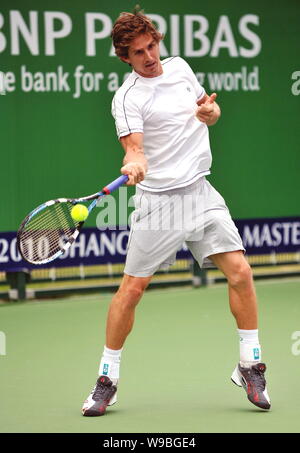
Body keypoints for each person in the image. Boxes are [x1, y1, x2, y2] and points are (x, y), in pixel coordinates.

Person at [82, 10, 271, 416]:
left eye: (152, 46)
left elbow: (208, 111)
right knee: (131, 291)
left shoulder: (181, 68)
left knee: (240, 271)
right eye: (138, 52)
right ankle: (107, 379)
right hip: (160, 203)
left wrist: (210, 114)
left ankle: (250, 363)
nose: (149, 56)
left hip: (200, 192)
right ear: (125, 58)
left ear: (157, 41)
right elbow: (134, 148)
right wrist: (135, 162)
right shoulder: (128, 97)